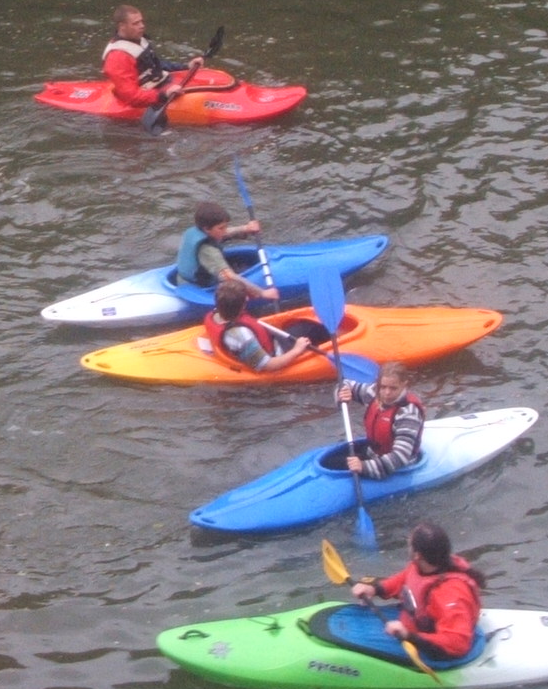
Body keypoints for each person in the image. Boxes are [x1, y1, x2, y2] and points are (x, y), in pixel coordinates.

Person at [352, 522, 486, 662]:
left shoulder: (450, 593)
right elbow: (404, 580)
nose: (407, 545)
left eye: (409, 544)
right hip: (414, 627)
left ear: (417, 555)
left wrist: (409, 636)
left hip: (436, 649)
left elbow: (456, 643)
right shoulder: (424, 567)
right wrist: (374, 589)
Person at [201, 277, 332, 373]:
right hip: (276, 355)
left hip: (268, 341)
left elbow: (234, 300)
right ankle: (337, 341)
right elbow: (268, 365)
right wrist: (297, 350)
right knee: (315, 330)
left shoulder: (216, 313)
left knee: (305, 325)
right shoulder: (241, 335)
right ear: (241, 306)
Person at [102, 5, 204, 111]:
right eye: (136, 23)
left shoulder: (138, 40)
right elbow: (132, 97)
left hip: (159, 84)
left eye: (141, 22)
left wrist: (186, 66)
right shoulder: (117, 57)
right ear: (122, 26)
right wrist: (163, 95)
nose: (142, 26)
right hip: (145, 96)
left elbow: (155, 65)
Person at [175, 201, 282, 299]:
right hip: (198, 288)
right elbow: (229, 277)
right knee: (240, 270)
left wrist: (245, 228)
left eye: (225, 227)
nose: (224, 230)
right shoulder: (208, 251)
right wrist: (262, 293)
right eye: (221, 228)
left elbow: (222, 233)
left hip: (187, 278)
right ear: (206, 229)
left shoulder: (199, 231)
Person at [339, 362, 426, 480]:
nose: (387, 393)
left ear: (404, 385)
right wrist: (343, 392)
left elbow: (400, 456)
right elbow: (345, 384)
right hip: (374, 455)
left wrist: (364, 467)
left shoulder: (408, 413)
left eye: (393, 388)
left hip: (398, 468)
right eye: (383, 387)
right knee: (335, 461)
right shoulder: (374, 392)